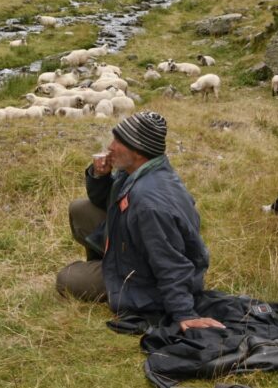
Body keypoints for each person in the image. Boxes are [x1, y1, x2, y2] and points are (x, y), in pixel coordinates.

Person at [56, 111, 225, 332]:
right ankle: (104, 264)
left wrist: (183, 312)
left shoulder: (149, 203)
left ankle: (109, 275)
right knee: (80, 209)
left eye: (118, 141)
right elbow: (105, 202)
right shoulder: (138, 171)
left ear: (137, 150)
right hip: (134, 252)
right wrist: (100, 176)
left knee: (66, 279)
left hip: (145, 281)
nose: (110, 146)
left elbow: (169, 259)